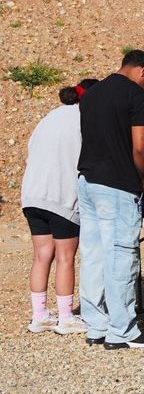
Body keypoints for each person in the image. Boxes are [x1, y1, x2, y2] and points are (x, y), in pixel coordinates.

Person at [77, 49, 144, 350]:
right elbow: (140, 146)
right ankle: (122, 329)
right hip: (117, 184)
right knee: (121, 256)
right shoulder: (136, 96)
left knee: (93, 254)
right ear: (142, 70)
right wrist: (141, 178)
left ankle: (96, 324)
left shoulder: (92, 93)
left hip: (87, 180)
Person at [21, 78, 99, 334]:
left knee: (42, 256)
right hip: (61, 196)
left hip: (32, 194)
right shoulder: (84, 120)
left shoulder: (49, 118)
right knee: (65, 257)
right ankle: (66, 317)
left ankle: (39, 315)